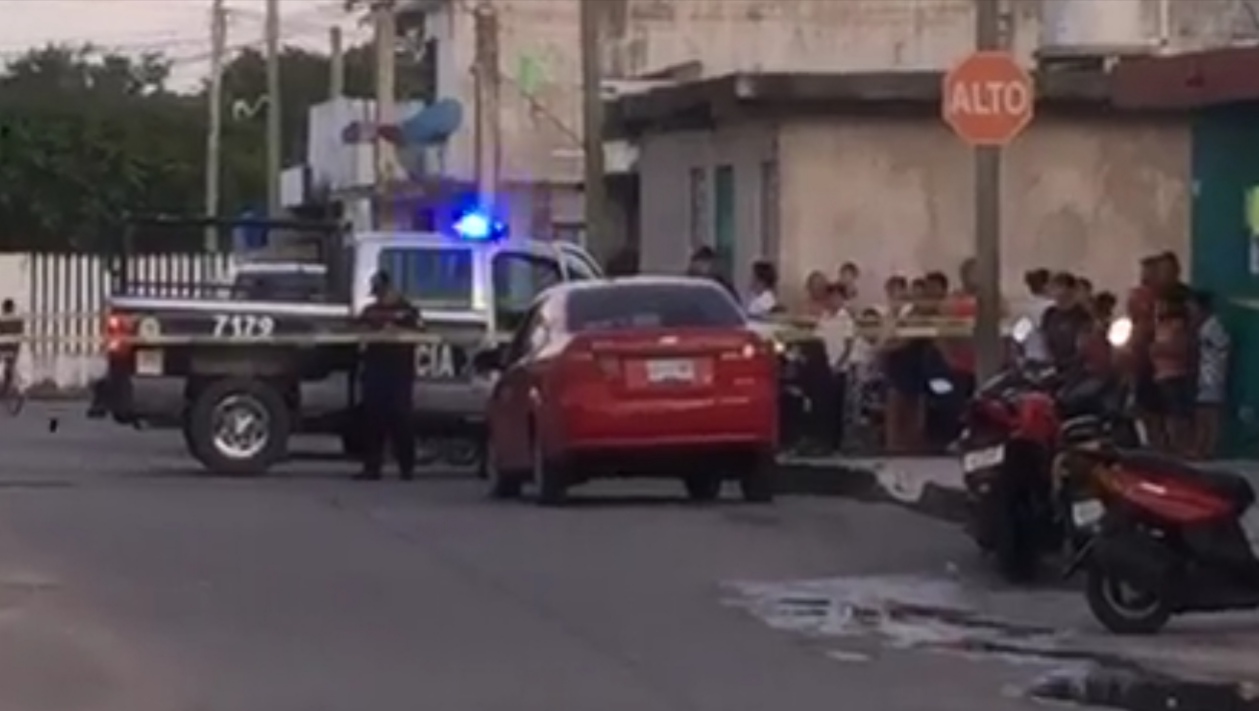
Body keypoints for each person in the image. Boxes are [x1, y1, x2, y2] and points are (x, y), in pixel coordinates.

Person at [355, 271, 422, 481]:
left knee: (401, 420)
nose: (380, 297)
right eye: (377, 293)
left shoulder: (407, 311)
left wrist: (396, 327)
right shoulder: (371, 311)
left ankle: (407, 467)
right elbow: (357, 330)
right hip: (376, 370)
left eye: (382, 292)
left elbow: (419, 331)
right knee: (373, 421)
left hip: (399, 372)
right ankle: (372, 467)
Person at [1150, 292, 1194, 455]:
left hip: (1175, 374)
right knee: (1166, 413)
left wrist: (1160, 349)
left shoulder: (1178, 326)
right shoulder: (1160, 326)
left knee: (1178, 413)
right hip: (1160, 374)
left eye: (1162, 305)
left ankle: (1182, 445)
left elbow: (1181, 349)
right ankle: (1169, 445)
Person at [814, 285, 856, 450]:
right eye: (831, 297)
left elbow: (848, 345)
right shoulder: (823, 317)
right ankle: (823, 439)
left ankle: (836, 442)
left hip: (840, 368)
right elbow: (818, 339)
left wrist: (838, 364)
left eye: (837, 297)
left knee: (837, 406)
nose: (834, 300)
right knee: (824, 405)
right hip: (824, 366)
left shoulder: (846, 319)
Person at [1190, 290, 1230, 459]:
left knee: (1210, 412)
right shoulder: (1203, 327)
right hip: (1203, 375)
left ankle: (1209, 449)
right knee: (1201, 412)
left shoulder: (1214, 327)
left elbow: (1223, 346)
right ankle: (1201, 446)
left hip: (1212, 374)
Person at [1041, 272, 1092, 369]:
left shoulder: (1082, 315)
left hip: (1076, 368)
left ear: (1071, 290)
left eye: (1059, 286)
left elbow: (1085, 346)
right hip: (1053, 367)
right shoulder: (1049, 314)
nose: (1055, 291)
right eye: (1054, 287)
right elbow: (1044, 339)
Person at [1019, 269, 1053, 364]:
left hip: (1031, 353)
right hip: (1046, 355)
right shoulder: (1050, 305)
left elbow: (1019, 335)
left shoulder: (1025, 305)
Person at [0, 299, 21, 395]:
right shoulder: (18, 320)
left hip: (3, 346)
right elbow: (19, 335)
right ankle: (7, 389)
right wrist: (17, 349)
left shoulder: (2, 320)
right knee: (10, 368)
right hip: (13, 347)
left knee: (8, 368)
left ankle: (5, 389)